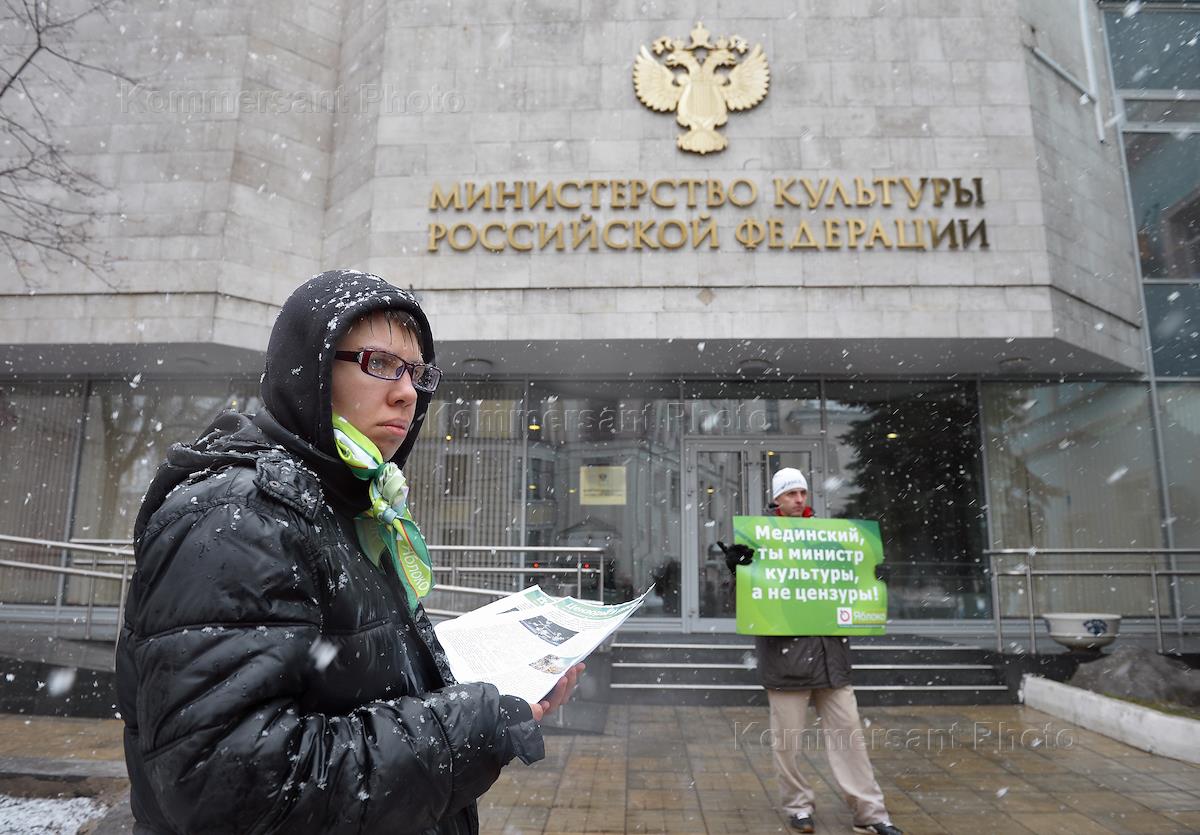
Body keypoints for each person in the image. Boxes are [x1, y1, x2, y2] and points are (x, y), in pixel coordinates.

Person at [115, 269, 580, 834]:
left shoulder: (344, 505)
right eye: (380, 363)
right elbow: (228, 785)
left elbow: (351, 689)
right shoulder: (239, 515)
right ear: (310, 371)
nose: (408, 392)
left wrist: (497, 696)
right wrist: (469, 727)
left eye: (418, 372)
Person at [719, 468, 901, 835]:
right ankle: (798, 806)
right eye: (790, 493)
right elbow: (743, 605)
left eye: (802, 492)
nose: (799, 499)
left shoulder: (826, 537)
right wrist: (738, 573)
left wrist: (869, 574)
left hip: (832, 660)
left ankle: (871, 813)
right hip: (786, 661)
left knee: (850, 738)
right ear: (776, 499)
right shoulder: (759, 541)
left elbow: (847, 584)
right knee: (787, 743)